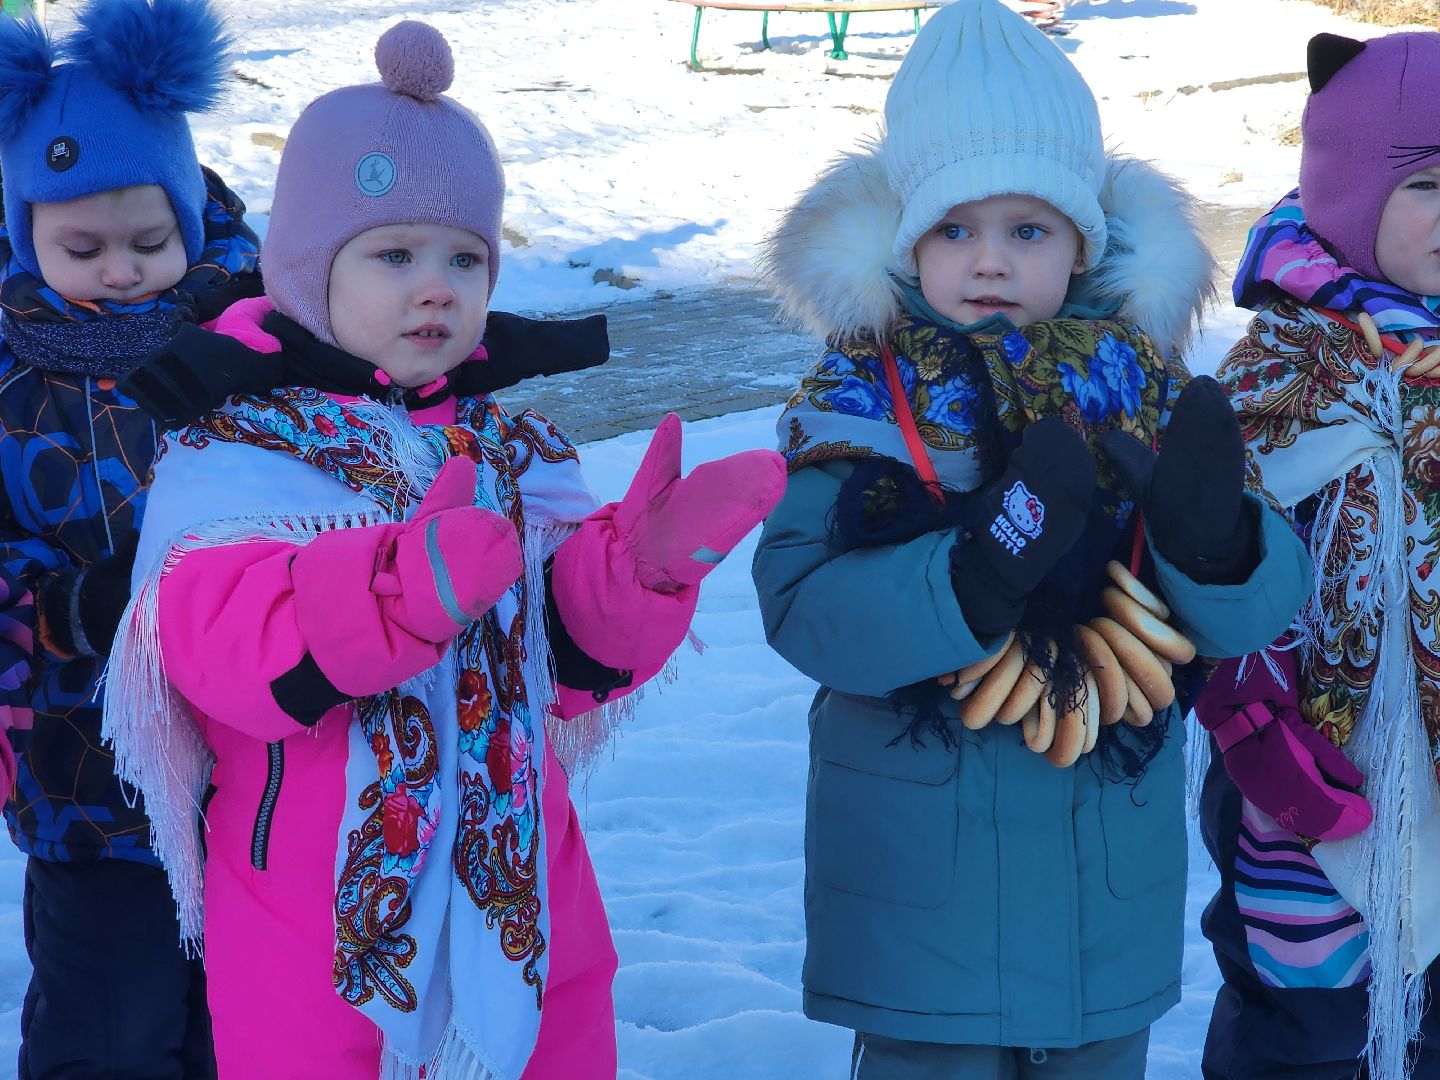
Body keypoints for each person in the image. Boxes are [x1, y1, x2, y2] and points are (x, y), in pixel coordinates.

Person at [103, 19, 786, 1079]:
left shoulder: (512, 452)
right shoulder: (234, 452)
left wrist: (636, 571)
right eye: (394, 254)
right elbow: (220, 651)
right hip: (315, 919)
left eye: (465, 258)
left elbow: (563, 674)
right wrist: (394, 597)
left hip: (523, 888)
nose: (438, 286)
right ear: (302, 269)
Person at [752, 1, 1312, 1076]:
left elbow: (1261, 608)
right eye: (955, 228)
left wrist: (1213, 541)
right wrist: (973, 571)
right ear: (907, 240)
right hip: (925, 910)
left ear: (1084, 242)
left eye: (1028, 229)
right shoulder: (861, 398)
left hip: (1105, 894)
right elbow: (802, 606)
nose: (990, 261)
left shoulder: (1143, 391)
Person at [0, 0, 261, 1074]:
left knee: (241, 1033)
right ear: (24, 233)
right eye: (80, 245)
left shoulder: (262, 345)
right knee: (106, 1037)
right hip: (85, 795)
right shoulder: (15, 380)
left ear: (191, 216)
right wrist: (65, 609)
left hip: (256, 788)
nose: (119, 269)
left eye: (149, 241)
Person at [1201, 30, 1440, 1080]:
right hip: (1311, 784)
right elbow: (1206, 563)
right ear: (1350, 191)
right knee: (1302, 1033)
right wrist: (1252, 712)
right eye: (1430, 183)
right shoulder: (1273, 385)